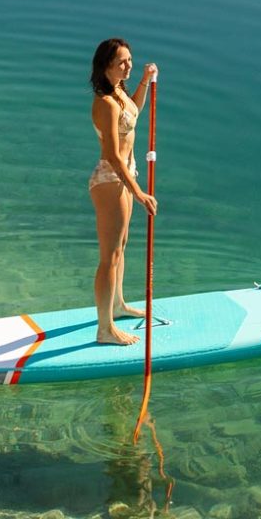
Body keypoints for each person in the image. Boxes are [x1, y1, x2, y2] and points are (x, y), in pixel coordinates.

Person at [86, 37, 157, 345]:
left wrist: (144, 81)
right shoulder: (104, 103)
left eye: (129, 60)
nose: (128, 65)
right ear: (106, 67)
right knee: (109, 257)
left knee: (121, 248)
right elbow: (114, 156)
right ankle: (105, 329)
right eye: (122, 63)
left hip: (124, 177)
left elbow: (135, 111)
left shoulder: (120, 94)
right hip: (110, 180)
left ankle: (118, 304)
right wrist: (139, 193)